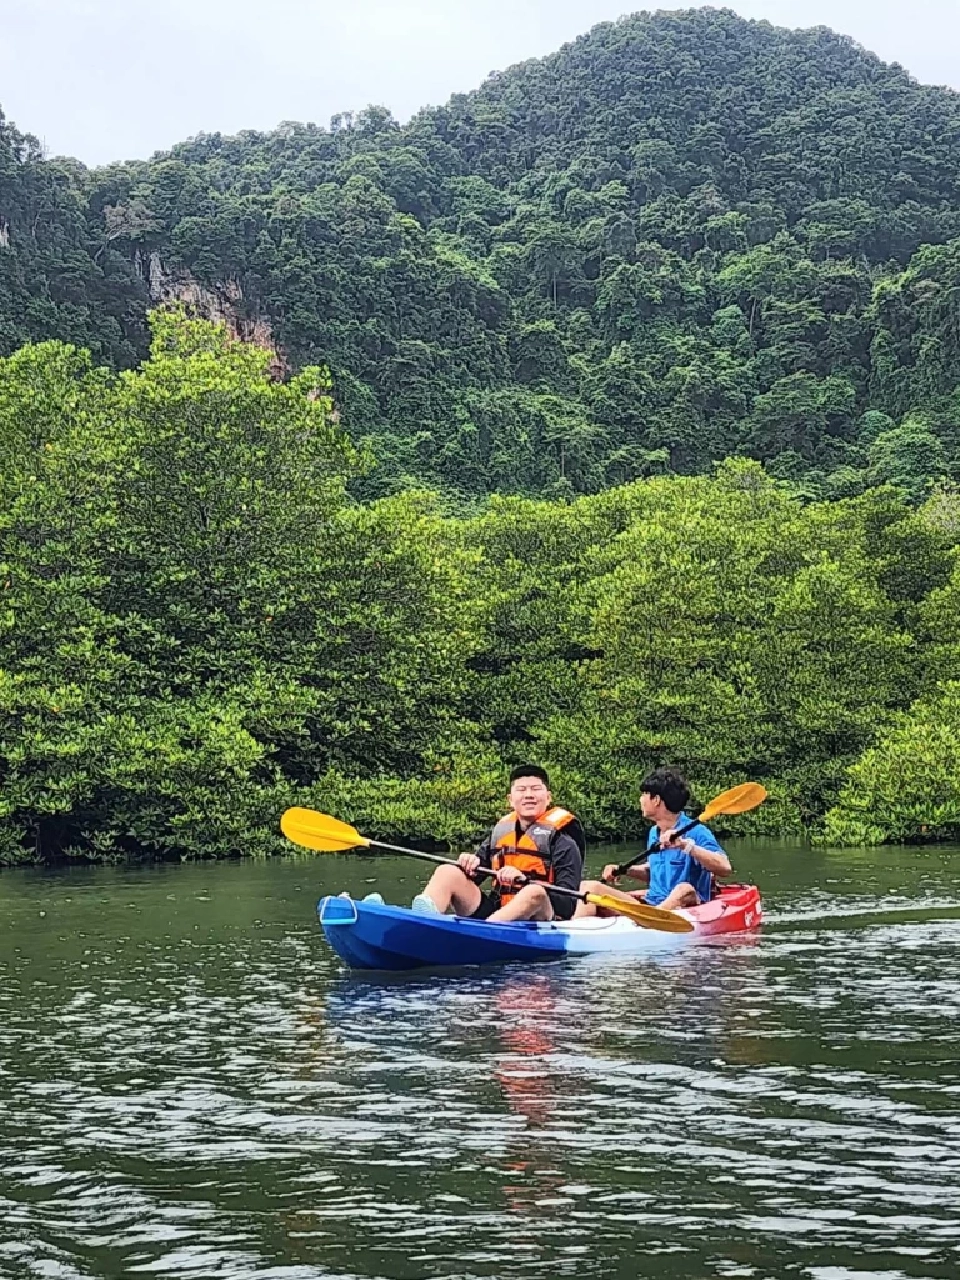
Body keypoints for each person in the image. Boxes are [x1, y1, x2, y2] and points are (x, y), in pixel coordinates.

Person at [411, 765, 585, 922]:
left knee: (535, 892)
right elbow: (473, 877)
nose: (529, 795)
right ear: (511, 799)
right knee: (447, 871)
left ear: (548, 798)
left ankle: (486, 934)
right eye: (521, 790)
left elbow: (567, 905)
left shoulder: (565, 844)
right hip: (498, 912)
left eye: (535, 789)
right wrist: (467, 864)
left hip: (544, 919)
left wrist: (524, 881)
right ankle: (422, 922)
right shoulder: (501, 834)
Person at [576, 767, 731, 916]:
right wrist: (624, 870)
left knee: (683, 889)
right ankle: (570, 933)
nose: (640, 799)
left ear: (656, 800)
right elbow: (655, 873)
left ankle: (658, 917)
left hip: (689, 905)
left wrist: (687, 846)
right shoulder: (654, 833)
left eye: (644, 794)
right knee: (588, 887)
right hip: (651, 905)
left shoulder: (697, 832)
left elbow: (725, 868)